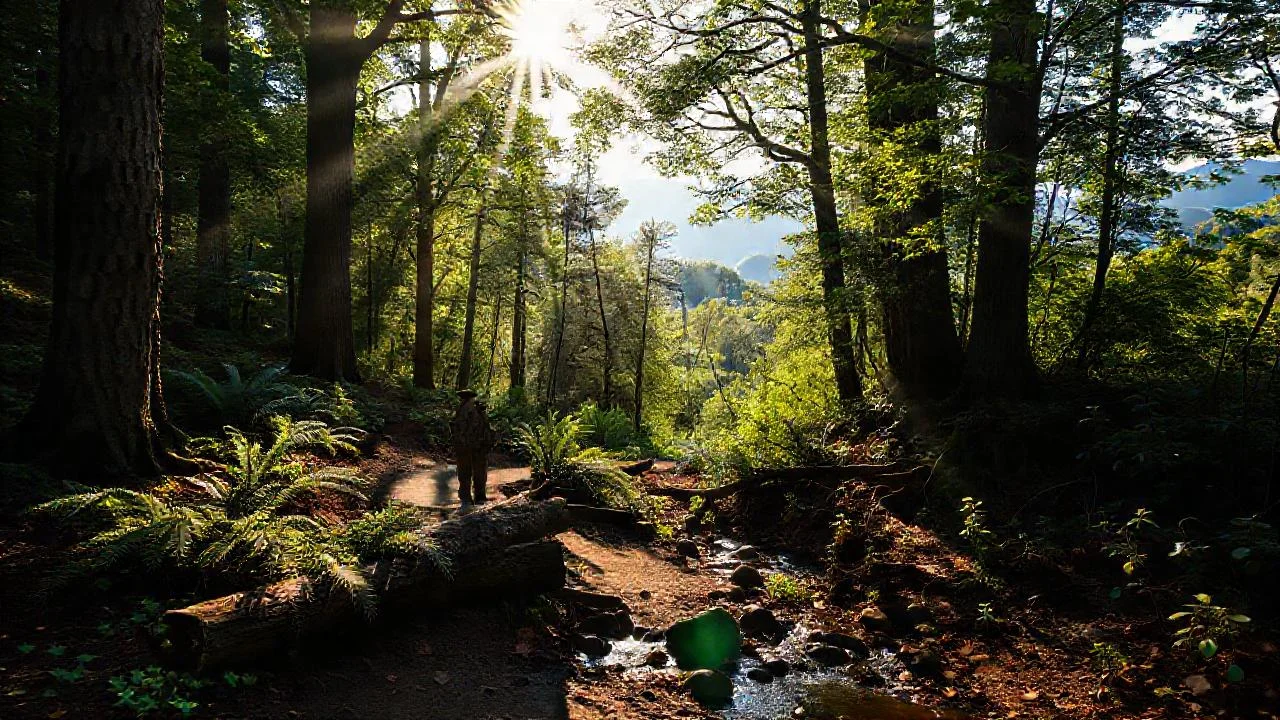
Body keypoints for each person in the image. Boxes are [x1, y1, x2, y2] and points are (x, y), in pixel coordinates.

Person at [450, 389, 495, 505]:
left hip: (470, 446)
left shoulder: (463, 410)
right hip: (475, 446)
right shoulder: (474, 410)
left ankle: (469, 496)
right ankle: (476, 497)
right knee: (475, 472)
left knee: (467, 471)